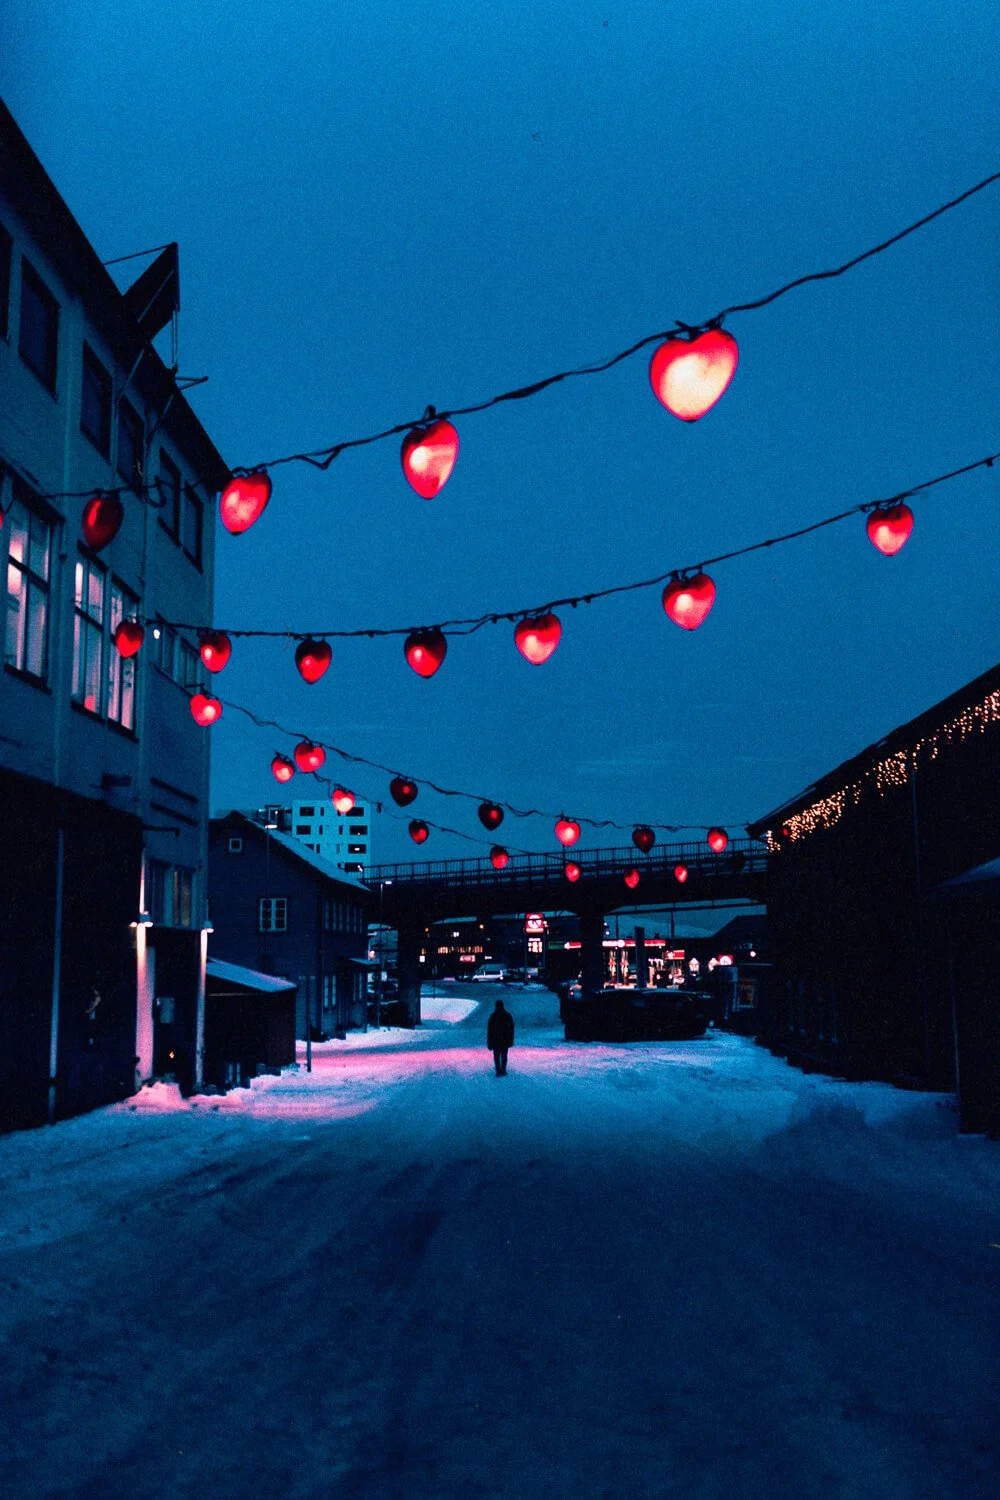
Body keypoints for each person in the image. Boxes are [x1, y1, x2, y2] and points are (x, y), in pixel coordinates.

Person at [487, 998, 514, 1076]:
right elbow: (511, 1030)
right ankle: (503, 1070)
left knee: (497, 1056)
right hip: (505, 1040)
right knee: (504, 1056)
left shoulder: (493, 1016)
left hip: (496, 1040)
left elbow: (490, 1031)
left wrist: (489, 1043)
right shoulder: (507, 1016)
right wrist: (511, 1041)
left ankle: (498, 1071)